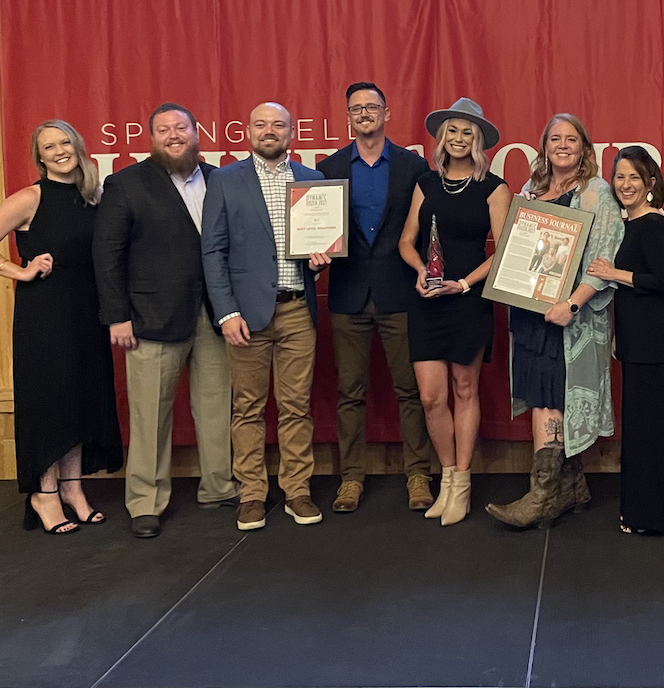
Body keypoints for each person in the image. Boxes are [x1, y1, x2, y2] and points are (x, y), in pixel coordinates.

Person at [0, 119, 122, 534]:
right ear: (40, 157)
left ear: (78, 146)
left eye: (65, 142)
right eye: (49, 146)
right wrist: (18, 271)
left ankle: (72, 488)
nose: (59, 151)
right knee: (50, 400)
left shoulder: (94, 196)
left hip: (87, 309)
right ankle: (44, 494)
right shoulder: (30, 198)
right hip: (45, 313)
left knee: (79, 399)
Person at [93, 103, 235, 539]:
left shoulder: (220, 179)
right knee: (150, 414)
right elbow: (107, 254)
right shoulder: (126, 184)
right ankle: (145, 502)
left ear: (196, 133)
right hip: (150, 317)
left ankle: (219, 487)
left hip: (214, 314)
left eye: (181, 127)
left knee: (217, 407)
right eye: (163, 129)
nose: (174, 135)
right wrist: (117, 316)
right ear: (151, 138)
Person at [486, 113, 624, 530]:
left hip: (568, 319)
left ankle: (543, 495)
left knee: (553, 396)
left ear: (584, 148)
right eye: (555, 139)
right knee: (541, 394)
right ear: (544, 147)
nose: (562, 145)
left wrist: (573, 305)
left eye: (571, 139)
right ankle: (573, 487)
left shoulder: (597, 193)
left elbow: (604, 258)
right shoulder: (531, 192)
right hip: (531, 315)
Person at [201, 102, 325, 531]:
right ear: (248, 131)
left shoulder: (312, 180)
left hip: (297, 310)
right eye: (260, 124)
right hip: (245, 315)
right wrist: (226, 312)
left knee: (296, 407)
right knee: (247, 408)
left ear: (292, 132)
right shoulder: (224, 180)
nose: (269, 130)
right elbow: (213, 251)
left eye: (278, 124)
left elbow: (320, 244)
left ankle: (297, 490)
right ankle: (252, 493)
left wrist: (319, 261)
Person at [312, 82, 434, 513]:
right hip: (347, 293)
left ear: (387, 113)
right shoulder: (326, 169)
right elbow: (316, 230)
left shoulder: (413, 166)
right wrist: (313, 255)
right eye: (356, 108)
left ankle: (418, 475)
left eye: (372, 107)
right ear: (347, 117)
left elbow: (426, 231)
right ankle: (351, 478)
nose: (364, 113)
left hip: (400, 291)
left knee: (411, 391)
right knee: (350, 393)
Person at [397, 98, 511, 526]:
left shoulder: (494, 188)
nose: (459, 139)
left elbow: (504, 250)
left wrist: (463, 284)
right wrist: (419, 270)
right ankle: (445, 477)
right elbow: (406, 239)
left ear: (477, 141)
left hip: (468, 299)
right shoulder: (426, 183)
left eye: (467, 132)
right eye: (452, 131)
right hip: (427, 299)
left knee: (465, 389)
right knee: (431, 397)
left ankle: (462, 483)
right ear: (442, 138)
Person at [587, 146, 664, 535]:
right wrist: (618, 334)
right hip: (635, 338)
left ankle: (651, 518)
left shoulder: (655, 224)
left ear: (650, 183)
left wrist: (613, 272)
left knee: (650, 431)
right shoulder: (629, 224)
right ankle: (637, 512)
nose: (625, 185)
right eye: (620, 177)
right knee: (639, 429)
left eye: (634, 178)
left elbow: (660, 281)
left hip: (655, 340)